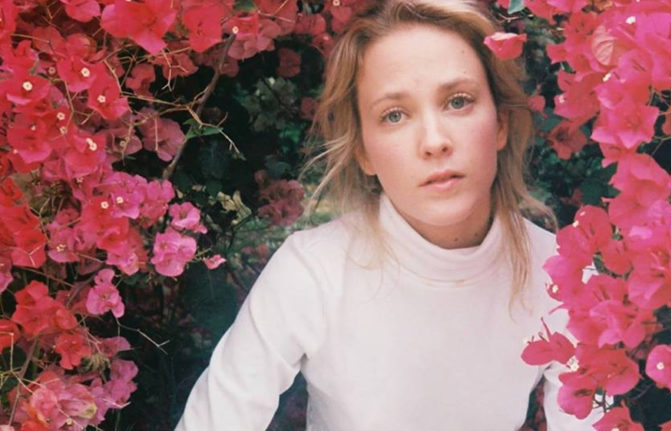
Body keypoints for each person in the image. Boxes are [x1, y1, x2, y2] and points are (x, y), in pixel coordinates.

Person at [176, 0, 600, 429]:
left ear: (501, 123)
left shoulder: (561, 277)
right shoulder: (314, 272)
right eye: (394, 115)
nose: (434, 141)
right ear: (363, 150)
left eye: (458, 101)